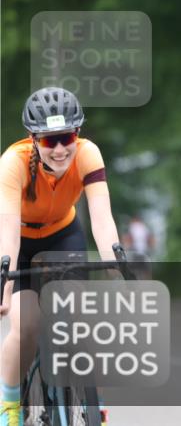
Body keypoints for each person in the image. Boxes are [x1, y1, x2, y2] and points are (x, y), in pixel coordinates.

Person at [0, 87, 122, 426]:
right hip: (20, 241)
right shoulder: (12, 163)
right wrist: (5, 289)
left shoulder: (88, 154)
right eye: (49, 140)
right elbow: (7, 232)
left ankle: (94, 403)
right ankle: (9, 405)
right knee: (27, 327)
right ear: (33, 139)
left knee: (80, 321)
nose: (59, 149)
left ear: (77, 133)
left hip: (63, 234)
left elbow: (102, 219)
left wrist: (116, 270)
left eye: (66, 137)